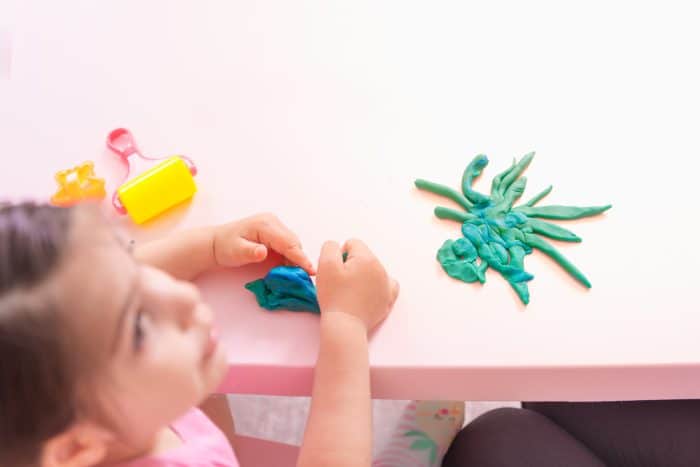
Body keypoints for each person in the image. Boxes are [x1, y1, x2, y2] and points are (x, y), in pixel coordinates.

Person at [0, 202, 399, 467]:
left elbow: (91, 295)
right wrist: (346, 324)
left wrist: (206, 246)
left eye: (131, 263)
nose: (183, 295)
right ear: (77, 447)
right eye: (139, 325)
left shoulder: (88, 414)